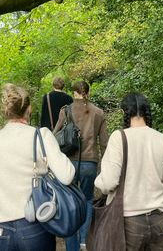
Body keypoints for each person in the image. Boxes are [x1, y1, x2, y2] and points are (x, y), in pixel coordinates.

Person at [94, 93, 163, 251]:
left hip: (128, 221)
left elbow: (108, 183)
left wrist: (98, 182)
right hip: (161, 221)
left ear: (124, 112)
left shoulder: (119, 138)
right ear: (146, 112)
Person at [0, 83, 75, 251]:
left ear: (5, 111)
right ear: (29, 109)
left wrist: (0, 211)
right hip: (34, 224)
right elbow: (67, 176)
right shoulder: (41, 135)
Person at [53, 81, 109, 251]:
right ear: (88, 93)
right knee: (87, 200)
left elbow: (54, 136)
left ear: (73, 93)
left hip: (68, 164)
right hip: (89, 164)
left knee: (69, 204)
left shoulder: (65, 110)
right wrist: (103, 167)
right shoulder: (99, 113)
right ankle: (85, 241)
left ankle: (72, 247)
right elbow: (105, 143)